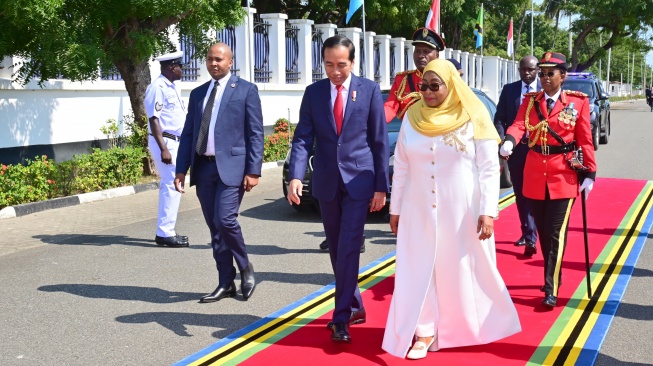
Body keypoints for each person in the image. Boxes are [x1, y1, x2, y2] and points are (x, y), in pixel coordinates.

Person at [382, 59, 521, 360]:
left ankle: (464, 327)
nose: (428, 92)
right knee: (420, 269)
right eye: (424, 86)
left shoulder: (473, 115)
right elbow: (402, 165)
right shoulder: (412, 118)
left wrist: (488, 210)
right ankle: (424, 331)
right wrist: (396, 209)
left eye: (435, 86)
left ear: (450, 85)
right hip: (417, 208)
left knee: (459, 269)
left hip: (462, 210)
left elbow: (488, 167)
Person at [287, 35, 389, 343]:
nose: (335, 71)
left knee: (348, 247)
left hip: (360, 182)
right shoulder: (314, 93)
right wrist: (295, 175)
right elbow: (303, 138)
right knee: (336, 249)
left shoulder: (369, 91)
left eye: (341, 65)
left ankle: (340, 317)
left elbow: (379, 141)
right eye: (329, 64)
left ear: (352, 62)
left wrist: (381, 186)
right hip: (327, 182)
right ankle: (355, 304)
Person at [499, 52, 597, 308]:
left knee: (555, 232)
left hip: (564, 176)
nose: (544, 78)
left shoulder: (577, 102)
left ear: (562, 75)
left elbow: (585, 138)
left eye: (549, 73)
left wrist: (590, 172)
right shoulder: (531, 101)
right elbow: (519, 124)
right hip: (535, 174)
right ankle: (554, 274)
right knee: (543, 232)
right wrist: (509, 141)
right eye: (541, 73)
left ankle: (550, 287)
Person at [174, 43, 264, 303]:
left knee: (225, 220)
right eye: (210, 59)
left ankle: (245, 267)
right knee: (215, 228)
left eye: (219, 59)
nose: (214, 64)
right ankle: (226, 282)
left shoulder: (246, 90)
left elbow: (255, 133)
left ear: (230, 62)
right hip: (204, 168)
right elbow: (189, 133)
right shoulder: (198, 93)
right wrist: (181, 169)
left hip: (233, 168)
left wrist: (254, 170)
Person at [494, 55, 540, 256]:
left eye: (531, 69)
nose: (527, 73)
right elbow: (500, 119)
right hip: (517, 150)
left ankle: (534, 233)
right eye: (524, 69)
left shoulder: (544, 90)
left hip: (539, 150)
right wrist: (504, 142)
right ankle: (528, 234)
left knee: (537, 193)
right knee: (521, 193)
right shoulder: (509, 90)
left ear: (537, 70)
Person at [146, 51, 189, 248]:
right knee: (171, 184)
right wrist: (164, 148)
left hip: (174, 141)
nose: (183, 69)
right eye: (180, 66)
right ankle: (164, 233)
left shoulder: (171, 86)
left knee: (173, 185)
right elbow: (154, 118)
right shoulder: (158, 87)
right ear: (172, 67)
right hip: (166, 142)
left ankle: (167, 230)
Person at [383, 27, 444, 123]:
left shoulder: (446, 80)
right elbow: (390, 107)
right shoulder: (403, 80)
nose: (420, 55)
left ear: (437, 55)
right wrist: (373, 121)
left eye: (426, 51)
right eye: (418, 51)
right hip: (411, 135)